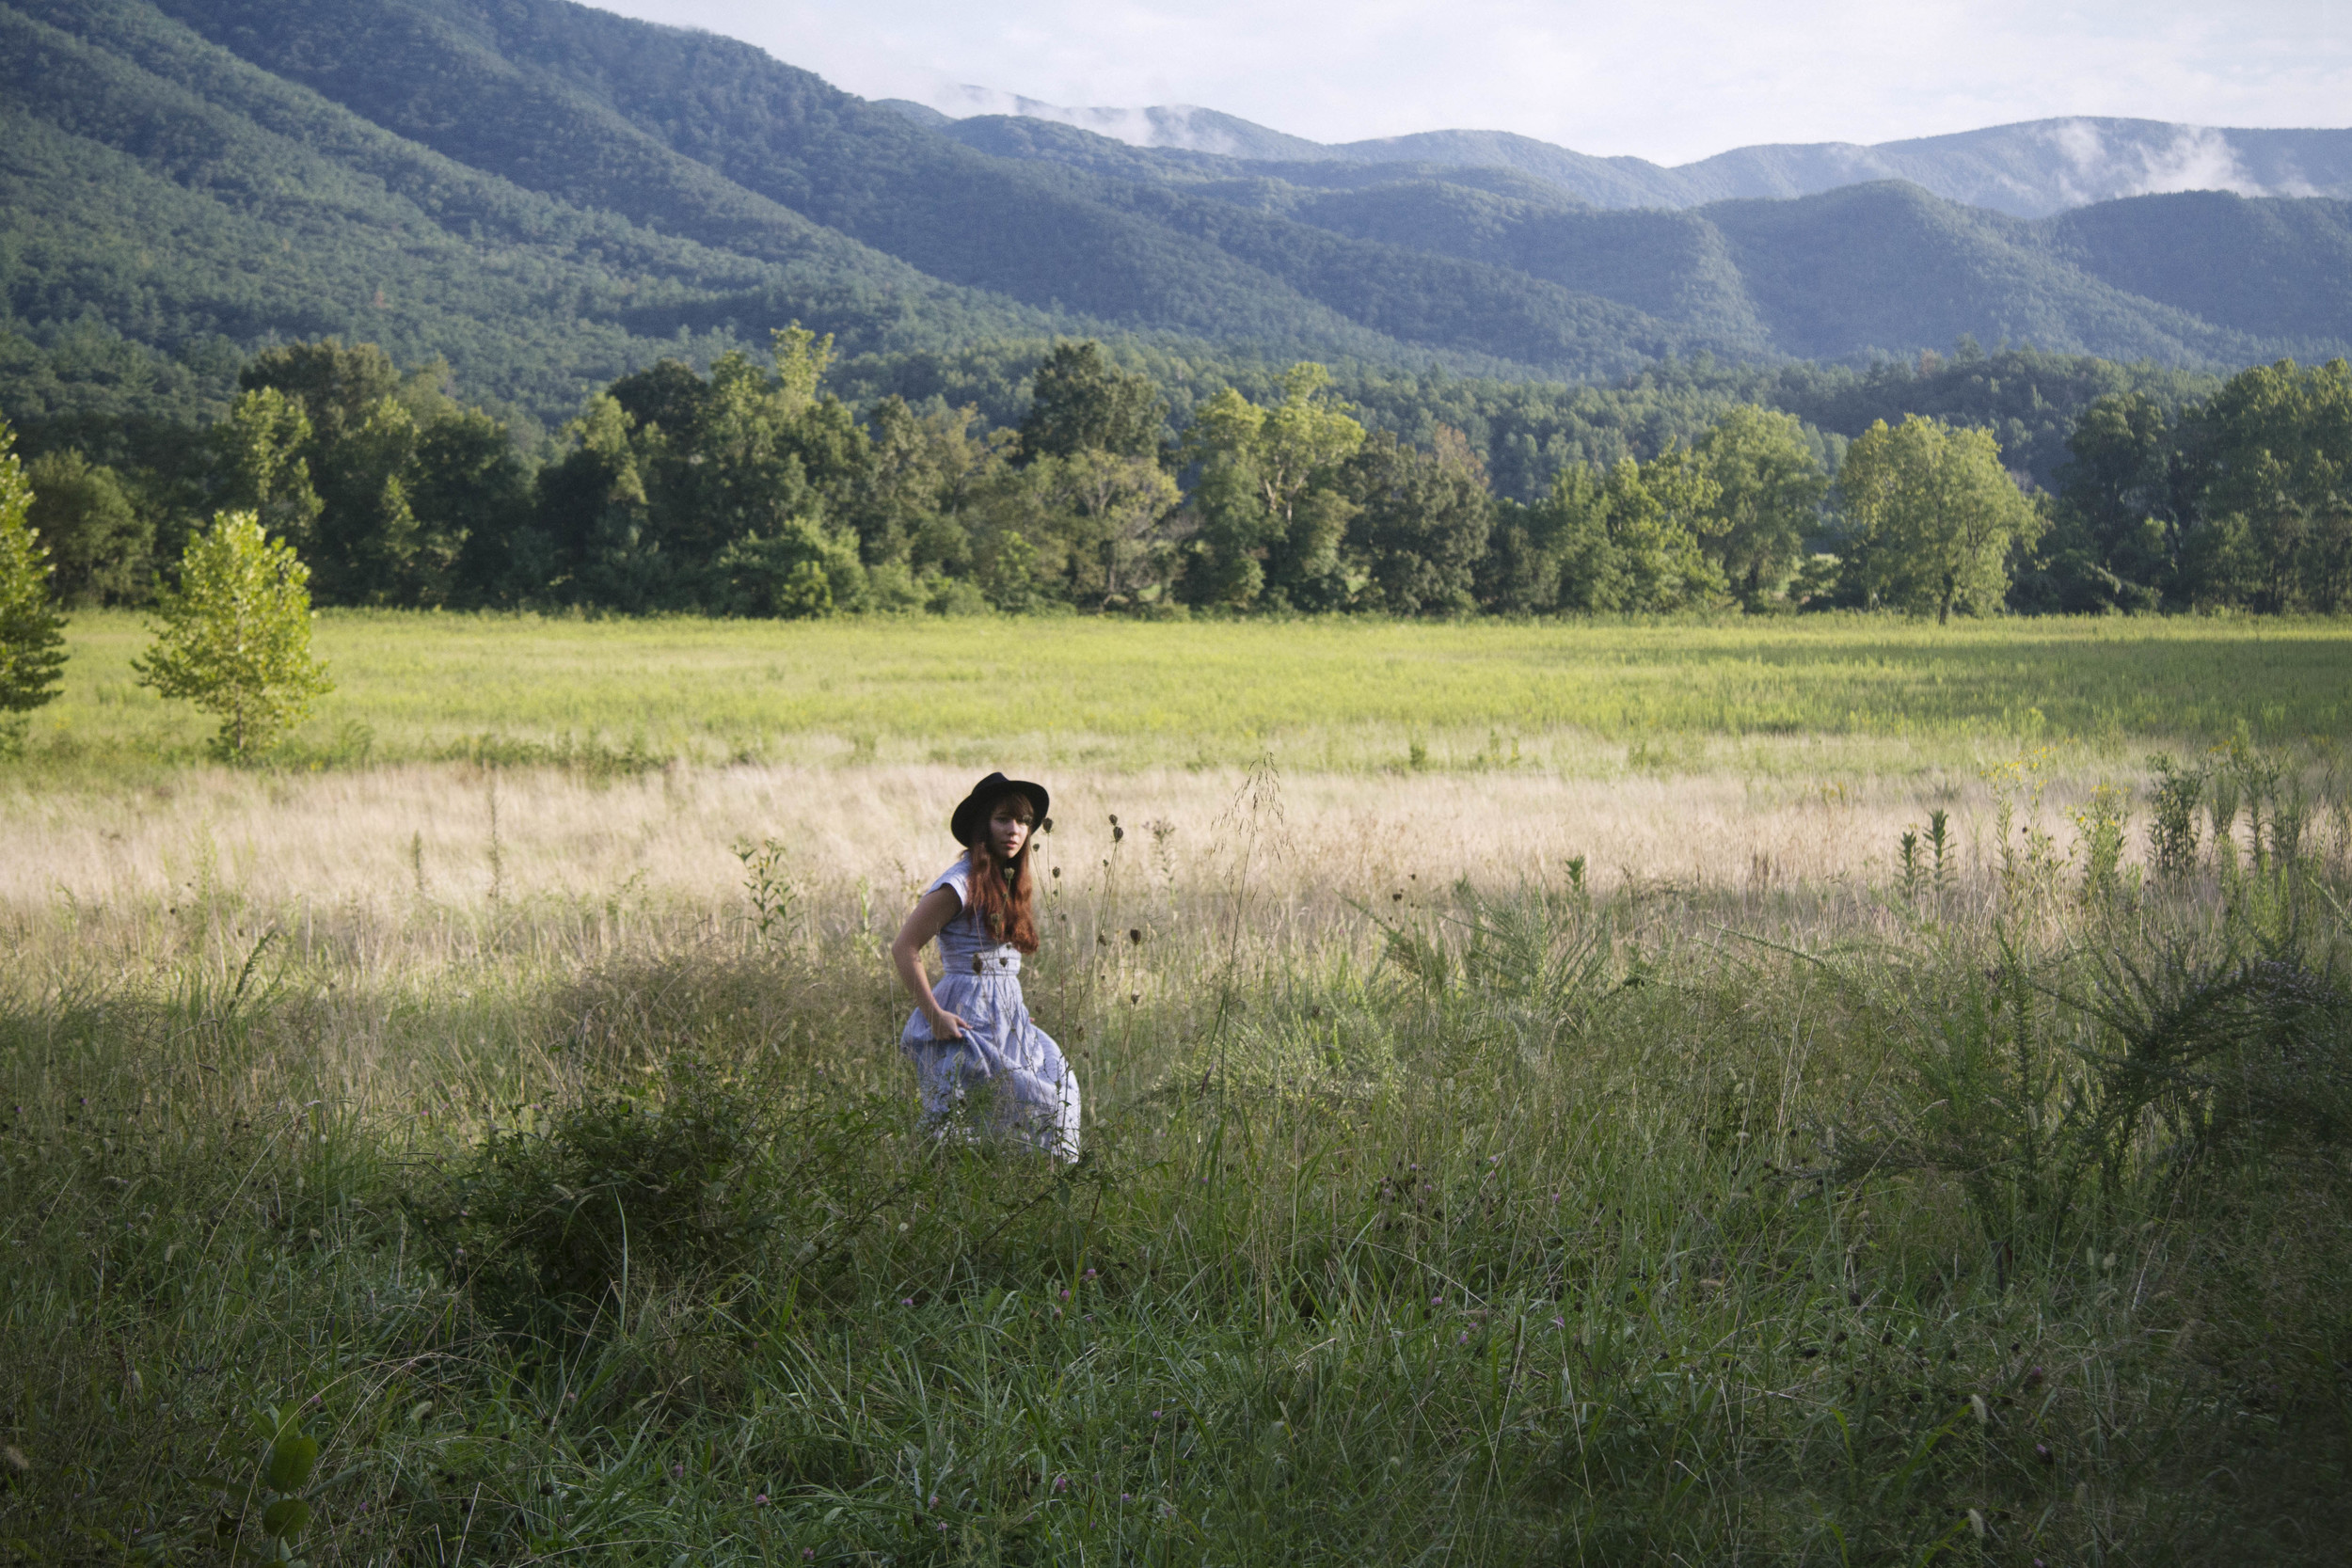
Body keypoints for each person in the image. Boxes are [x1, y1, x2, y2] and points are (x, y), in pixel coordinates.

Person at [889, 772, 1080, 1161]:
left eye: (1024, 821)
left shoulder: (1009, 881)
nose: (1015, 830)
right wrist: (935, 1014)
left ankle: (1015, 1196)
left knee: (1053, 1099)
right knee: (961, 1126)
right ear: (983, 825)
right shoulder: (959, 883)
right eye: (1003, 819)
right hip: (966, 1012)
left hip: (1008, 1013)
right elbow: (904, 947)